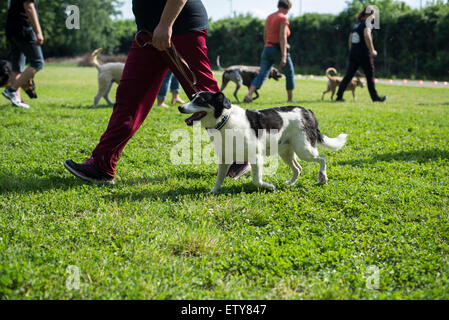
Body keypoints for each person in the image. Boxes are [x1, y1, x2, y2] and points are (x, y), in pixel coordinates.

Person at [64, 0, 250, 184]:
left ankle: (240, 157)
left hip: (181, 28)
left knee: (208, 97)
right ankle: (101, 166)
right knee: (129, 98)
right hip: (147, 34)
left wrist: (165, 24)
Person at [244, 0, 295, 103]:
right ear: (287, 8)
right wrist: (284, 56)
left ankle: (249, 95)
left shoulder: (269, 17)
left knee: (262, 73)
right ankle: (290, 99)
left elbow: (265, 35)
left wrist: (267, 46)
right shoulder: (283, 19)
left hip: (267, 48)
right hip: (278, 49)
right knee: (289, 73)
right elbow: (282, 37)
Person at [336, 6, 386, 102]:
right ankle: (375, 98)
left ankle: (339, 95)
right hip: (363, 53)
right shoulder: (367, 24)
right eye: (374, 14)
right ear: (369, 14)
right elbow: (367, 35)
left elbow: (350, 39)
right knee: (370, 75)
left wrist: (352, 52)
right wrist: (372, 50)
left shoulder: (356, 24)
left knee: (348, 75)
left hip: (354, 52)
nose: (375, 17)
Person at [2, 0, 44, 109]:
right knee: (38, 63)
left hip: (11, 29)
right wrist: (38, 32)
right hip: (24, 29)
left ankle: (17, 101)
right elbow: (29, 7)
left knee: (17, 66)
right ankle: (11, 90)